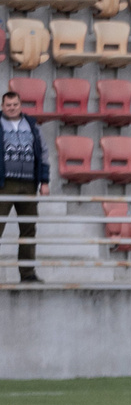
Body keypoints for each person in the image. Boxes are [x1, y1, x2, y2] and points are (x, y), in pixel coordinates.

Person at [0, 87, 48, 283]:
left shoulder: (32, 126)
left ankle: (27, 274)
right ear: (2, 106)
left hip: (29, 184)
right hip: (4, 184)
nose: (12, 108)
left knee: (28, 229)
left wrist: (44, 181)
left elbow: (43, 154)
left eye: (15, 104)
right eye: (8, 105)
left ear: (20, 105)